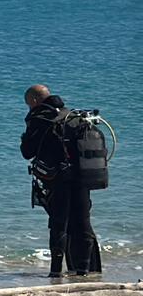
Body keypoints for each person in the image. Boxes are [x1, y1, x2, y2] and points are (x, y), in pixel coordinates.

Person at [21, 85, 97, 278]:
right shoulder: (72, 116)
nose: (29, 108)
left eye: (28, 104)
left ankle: (56, 272)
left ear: (35, 101)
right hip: (82, 178)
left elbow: (27, 152)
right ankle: (84, 270)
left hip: (58, 180)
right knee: (83, 223)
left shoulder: (40, 119)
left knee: (58, 224)